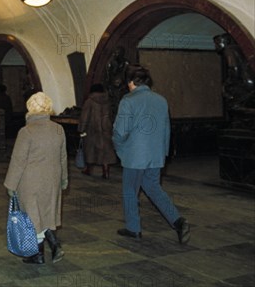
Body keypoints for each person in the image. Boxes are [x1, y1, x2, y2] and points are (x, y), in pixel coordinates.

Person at [113, 65, 190, 244]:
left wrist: (118, 147)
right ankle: (178, 221)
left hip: (134, 155)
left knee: (130, 191)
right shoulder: (161, 100)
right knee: (153, 187)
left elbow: (120, 131)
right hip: (156, 154)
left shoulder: (128, 100)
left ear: (131, 82)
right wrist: (163, 153)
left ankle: (133, 228)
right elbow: (166, 130)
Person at [4, 92, 68, 264]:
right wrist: (64, 179)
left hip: (30, 182)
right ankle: (51, 248)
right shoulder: (58, 129)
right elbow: (63, 157)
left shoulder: (26, 131)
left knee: (33, 217)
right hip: (52, 179)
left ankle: (39, 254)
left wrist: (10, 184)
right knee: (46, 213)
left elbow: (18, 161)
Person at [78, 84, 117, 179]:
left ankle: (88, 169)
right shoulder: (108, 101)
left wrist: (81, 129)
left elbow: (84, 117)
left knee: (90, 151)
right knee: (106, 152)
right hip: (106, 129)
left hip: (92, 130)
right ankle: (106, 171)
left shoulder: (89, 101)